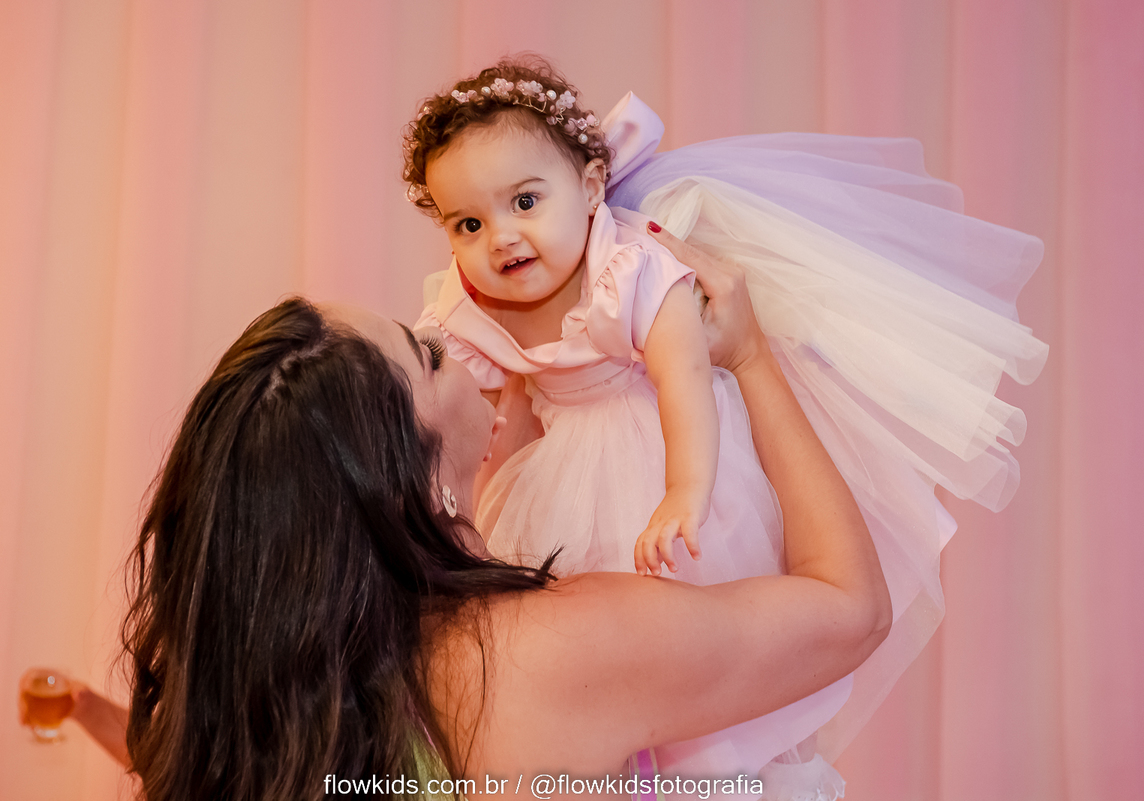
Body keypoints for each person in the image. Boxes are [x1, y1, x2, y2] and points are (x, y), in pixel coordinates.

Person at [29, 231, 891, 800]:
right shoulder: (553, 648)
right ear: (413, 471)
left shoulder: (283, 699)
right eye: (431, 353)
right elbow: (851, 609)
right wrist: (748, 356)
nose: (457, 335)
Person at [405, 56, 1048, 786]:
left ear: (589, 188)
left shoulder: (628, 267)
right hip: (557, 474)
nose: (501, 237)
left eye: (525, 201)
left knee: (693, 610)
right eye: (469, 223)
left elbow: (682, 378)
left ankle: (708, 751)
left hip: (666, 445)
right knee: (595, 643)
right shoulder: (470, 307)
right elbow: (471, 417)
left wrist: (686, 489)